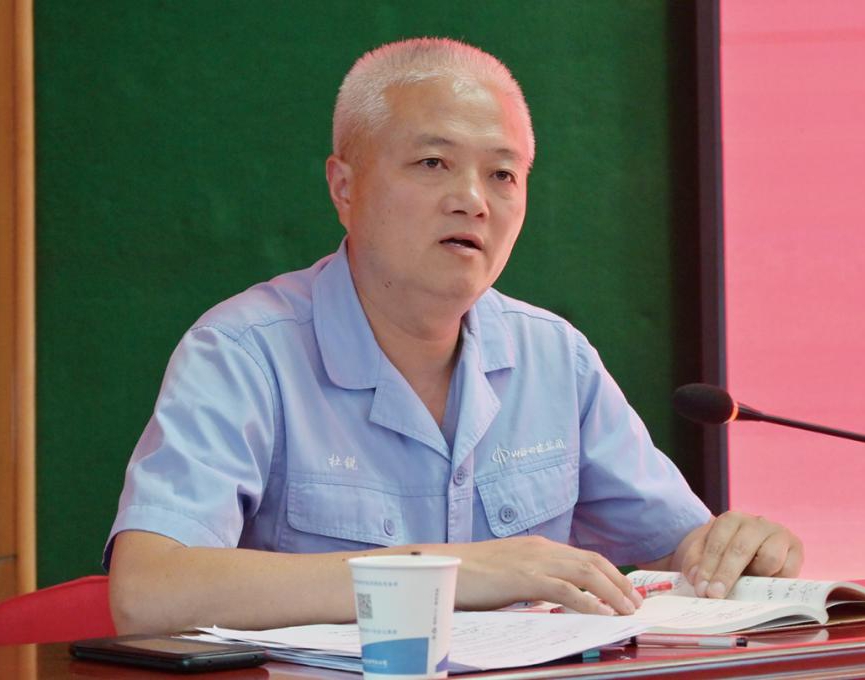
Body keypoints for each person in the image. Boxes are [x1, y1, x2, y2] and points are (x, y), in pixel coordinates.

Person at [106, 37, 803, 635]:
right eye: (433, 163)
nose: (472, 199)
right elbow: (148, 593)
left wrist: (740, 552)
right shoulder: (243, 352)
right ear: (344, 187)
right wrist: (443, 574)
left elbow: (677, 553)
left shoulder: (554, 358)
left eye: (502, 174)